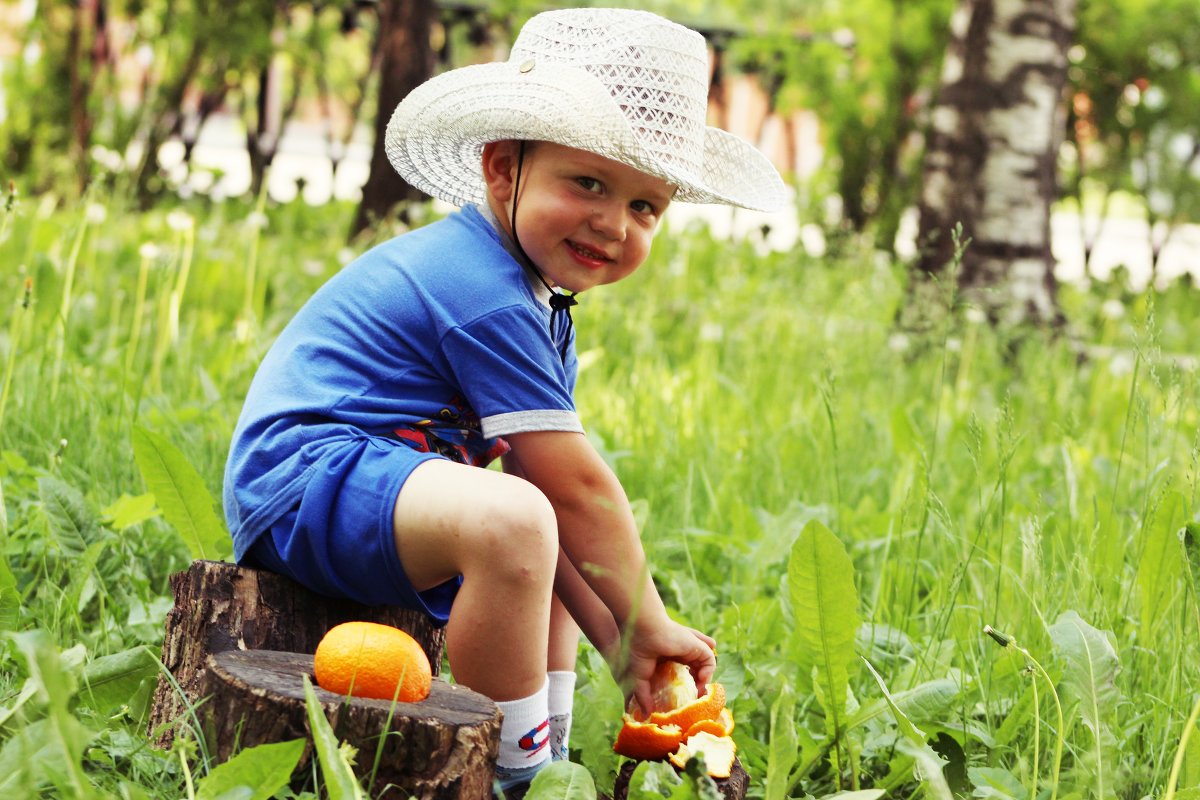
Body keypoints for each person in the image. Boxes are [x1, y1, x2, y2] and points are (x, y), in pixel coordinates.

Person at [222, 7, 786, 795]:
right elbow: (581, 489)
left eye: (644, 206)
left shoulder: (533, 302)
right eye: (587, 182)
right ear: (501, 169)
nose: (613, 223)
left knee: (533, 521)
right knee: (523, 518)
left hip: (374, 483)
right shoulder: (481, 290)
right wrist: (646, 617)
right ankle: (513, 775)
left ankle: (543, 757)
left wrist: (627, 649)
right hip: (305, 480)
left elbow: (557, 499)